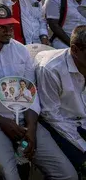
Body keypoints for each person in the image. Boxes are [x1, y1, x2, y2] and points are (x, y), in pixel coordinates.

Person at [0, 4, 77, 180]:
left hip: (24, 121)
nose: (8, 31)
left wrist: (31, 128)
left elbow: (30, 91)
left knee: (67, 175)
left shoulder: (20, 49)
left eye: (10, 26)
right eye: (1, 27)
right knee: (9, 177)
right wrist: (2, 122)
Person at [37, 26, 86, 174]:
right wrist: (83, 145)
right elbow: (52, 115)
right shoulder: (51, 69)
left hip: (80, 120)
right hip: (54, 124)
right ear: (75, 49)